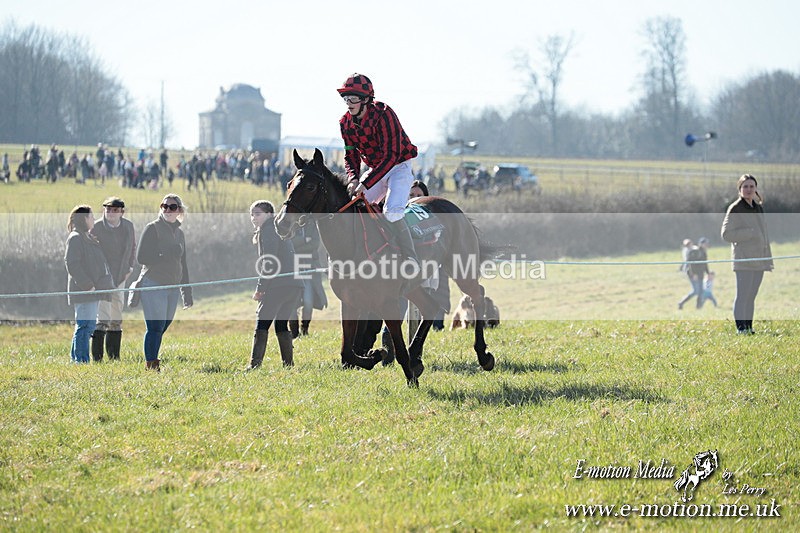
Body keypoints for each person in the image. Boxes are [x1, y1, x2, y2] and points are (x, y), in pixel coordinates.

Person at [337, 73, 423, 292]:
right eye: (346, 99)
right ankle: (369, 252)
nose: (349, 104)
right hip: (376, 169)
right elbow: (350, 155)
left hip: (399, 165)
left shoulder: (384, 114)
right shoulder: (345, 123)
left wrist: (366, 183)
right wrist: (353, 179)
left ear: (366, 99)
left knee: (392, 211)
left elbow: (391, 157)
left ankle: (410, 257)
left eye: (353, 99)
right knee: (356, 203)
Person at [136, 194, 193, 371]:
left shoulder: (180, 233)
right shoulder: (152, 228)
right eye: (164, 206)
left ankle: (152, 358)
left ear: (180, 210)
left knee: (163, 325)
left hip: (173, 286)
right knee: (155, 326)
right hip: (153, 283)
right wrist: (164, 254)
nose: (168, 210)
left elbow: (182, 263)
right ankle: (151, 364)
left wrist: (187, 291)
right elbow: (141, 257)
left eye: (172, 207)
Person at [247, 200, 304, 368]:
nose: (253, 218)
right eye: (251, 214)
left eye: (257, 214)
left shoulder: (268, 229)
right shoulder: (277, 227)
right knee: (281, 323)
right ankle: (288, 365)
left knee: (262, 322)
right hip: (294, 285)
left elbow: (269, 262)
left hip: (280, 284)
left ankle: (254, 365)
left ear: (269, 214)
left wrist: (260, 289)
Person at [721, 174, 773, 334]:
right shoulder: (735, 208)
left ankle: (749, 328)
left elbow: (763, 234)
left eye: (751, 186)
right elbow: (726, 234)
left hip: (760, 259)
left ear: (756, 188)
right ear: (740, 189)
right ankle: (740, 329)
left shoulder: (758, 208)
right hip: (744, 259)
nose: (749, 189)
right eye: (745, 186)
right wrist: (749, 233)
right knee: (742, 296)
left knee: (751, 296)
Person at [89, 197, 137, 361]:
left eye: (115, 210)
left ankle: (114, 357)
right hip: (102, 279)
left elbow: (132, 247)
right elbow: (89, 252)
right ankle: (97, 358)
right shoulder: (95, 227)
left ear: (122, 212)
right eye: (108, 209)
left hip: (121, 277)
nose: (111, 212)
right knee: (102, 318)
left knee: (116, 317)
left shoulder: (128, 226)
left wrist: (130, 268)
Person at [64, 205, 113, 363]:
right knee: (85, 326)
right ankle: (81, 361)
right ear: (84, 219)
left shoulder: (87, 237)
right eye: (91, 216)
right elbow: (72, 264)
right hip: (84, 291)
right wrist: (87, 285)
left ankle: (75, 359)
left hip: (92, 290)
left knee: (86, 326)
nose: (93, 219)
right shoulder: (76, 238)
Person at [288, 222, 327, 338]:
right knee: (292, 303)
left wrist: (298, 243)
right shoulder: (287, 222)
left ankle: (304, 329)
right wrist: (305, 240)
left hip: (310, 267)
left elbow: (315, 244)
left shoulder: (311, 223)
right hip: (292, 267)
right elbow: (289, 244)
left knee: (309, 301)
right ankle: (294, 333)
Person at [678, 237, 709, 310]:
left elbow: (705, 264)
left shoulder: (704, 252)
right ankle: (681, 302)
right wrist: (693, 274)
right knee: (696, 291)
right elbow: (690, 263)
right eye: (705, 243)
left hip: (701, 273)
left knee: (700, 291)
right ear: (701, 244)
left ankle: (698, 307)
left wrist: (708, 273)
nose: (706, 245)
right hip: (693, 274)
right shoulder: (695, 251)